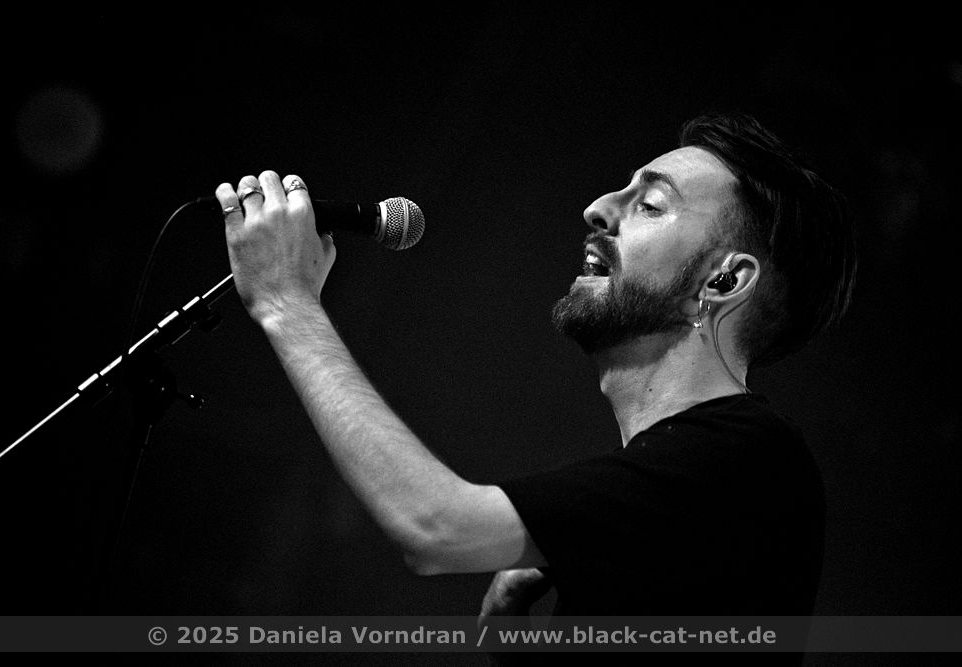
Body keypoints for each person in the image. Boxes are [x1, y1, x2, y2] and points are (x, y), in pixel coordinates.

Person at [214, 112, 856, 639]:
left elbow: (435, 526)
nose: (598, 208)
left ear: (724, 280)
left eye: (651, 204)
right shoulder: (672, 501)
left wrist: (286, 301)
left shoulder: (747, 459)